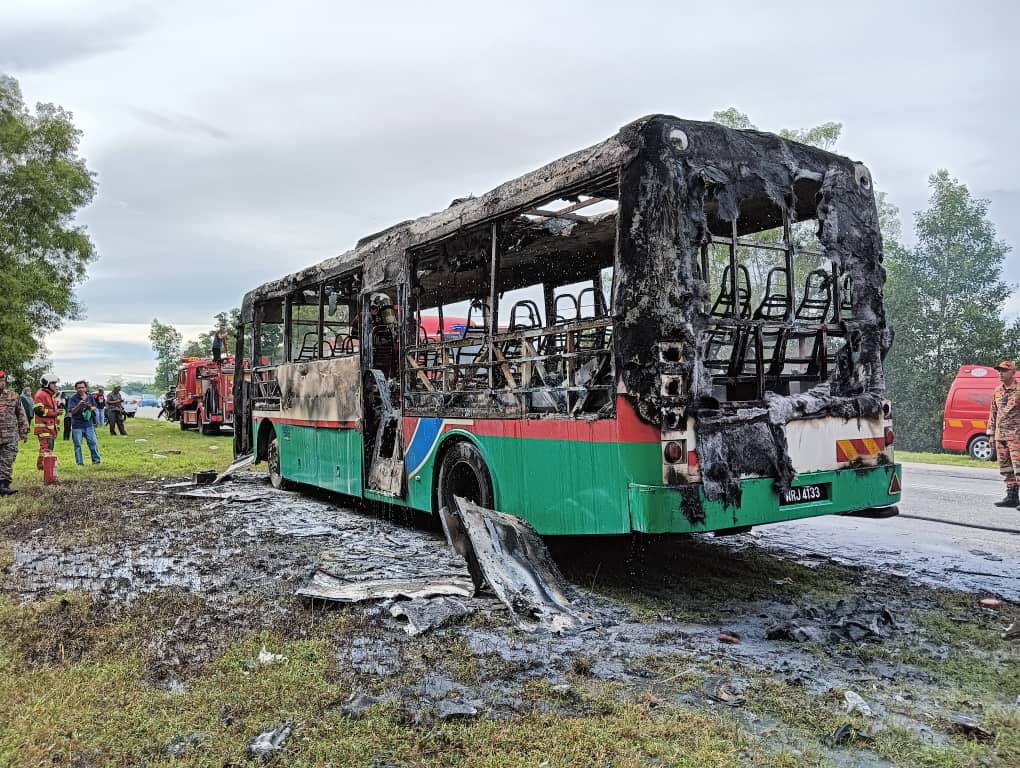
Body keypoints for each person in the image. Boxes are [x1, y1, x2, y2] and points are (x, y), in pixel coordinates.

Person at [988, 360, 1020, 508]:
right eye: (999, 370)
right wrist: (991, 434)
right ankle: (1011, 496)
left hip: (1016, 436)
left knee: (1019, 467)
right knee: (1006, 468)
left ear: (1013, 373)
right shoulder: (997, 391)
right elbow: (993, 414)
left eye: (1004, 371)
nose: (1000, 373)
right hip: (1001, 436)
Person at [0, 371, 30, 495]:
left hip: (10, 436)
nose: (2, 383)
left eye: (3, 380)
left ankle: (3, 486)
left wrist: (24, 431)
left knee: (7, 460)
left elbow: (21, 413)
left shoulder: (13, 396)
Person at [33, 374, 63, 473]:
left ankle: (45, 465)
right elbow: (39, 411)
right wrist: (55, 413)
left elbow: (49, 410)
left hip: (50, 428)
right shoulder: (41, 394)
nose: (55, 385)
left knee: (49, 448)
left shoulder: (50, 395)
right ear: (46, 384)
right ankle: (42, 466)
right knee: (45, 448)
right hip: (43, 428)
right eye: (53, 383)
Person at [67, 380, 101, 466]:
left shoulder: (90, 397)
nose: (81, 389)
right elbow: (72, 412)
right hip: (77, 425)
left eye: (82, 387)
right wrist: (79, 405)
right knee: (78, 445)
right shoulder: (73, 398)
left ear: (86, 388)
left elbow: (94, 407)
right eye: (79, 388)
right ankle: (80, 463)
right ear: (76, 389)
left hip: (88, 424)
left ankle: (96, 461)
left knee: (93, 443)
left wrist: (89, 407)